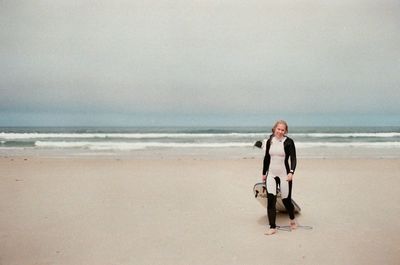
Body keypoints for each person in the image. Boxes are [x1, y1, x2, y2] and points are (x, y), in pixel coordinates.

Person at [262, 120, 297, 235]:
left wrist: (291, 172)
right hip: (271, 174)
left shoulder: (289, 142)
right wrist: (264, 173)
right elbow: (267, 158)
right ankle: (272, 227)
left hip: (284, 174)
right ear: (274, 129)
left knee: (286, 200)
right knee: (271, 200)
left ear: (285, 131)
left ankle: (292, 219)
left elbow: (293, 158)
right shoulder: (269, 141)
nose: (280, 131)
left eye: (283, 130)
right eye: (278, 129)